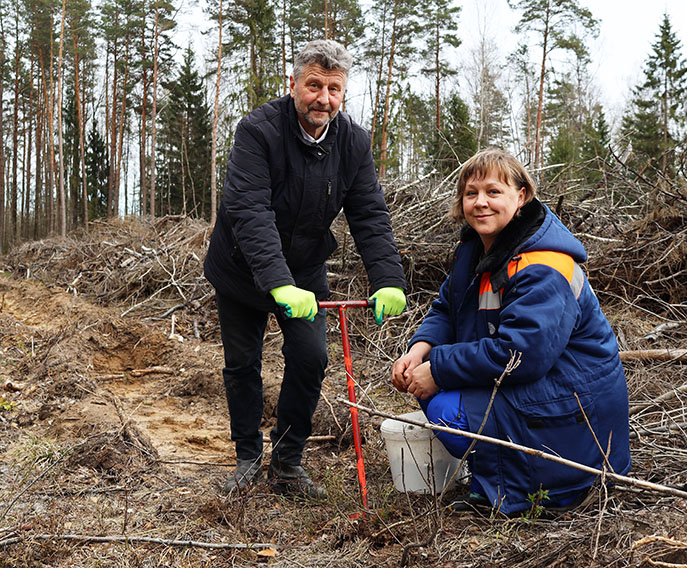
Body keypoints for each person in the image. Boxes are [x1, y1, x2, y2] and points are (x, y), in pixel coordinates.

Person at [205, 39, 407, 498]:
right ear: (293, 84)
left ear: (343, 93)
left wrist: (389, 278)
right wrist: (277, 283)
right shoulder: (258, 131)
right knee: (243, 364)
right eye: (314, 85)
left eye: (334, 89)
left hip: (306, 270)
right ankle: (247, 458)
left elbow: (369, 214)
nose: (323, 98)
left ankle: (288, 464)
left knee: (311, 358)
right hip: (241, 268)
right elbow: (249, 211)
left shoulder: (353, 142)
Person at [391, 149, 630, 515]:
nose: (480, 203)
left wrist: (437, 369)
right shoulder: (475, 252)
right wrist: (419, 351)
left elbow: (523, 355)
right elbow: (447, 308)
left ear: (521, 197)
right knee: (431, 387)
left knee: (445, 407)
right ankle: (496, 480)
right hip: (541, 388)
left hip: (575, 402)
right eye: (471, 194)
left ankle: (559, 490)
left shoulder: (544, 265)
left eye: (493, 192)